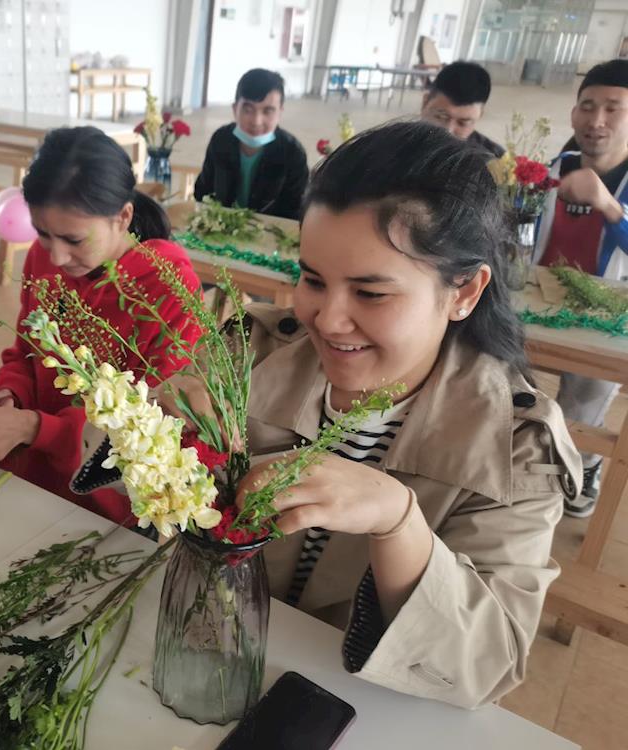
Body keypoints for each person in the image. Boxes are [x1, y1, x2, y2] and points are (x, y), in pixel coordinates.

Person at [162, 121, 580, 709]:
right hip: (209, 661)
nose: (328, 319)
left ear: (463, 292)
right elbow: (133, 494)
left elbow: (486, 665)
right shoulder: (253, 351)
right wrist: (159, 426)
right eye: (312, 280)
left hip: (357, 708)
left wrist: (398, 522)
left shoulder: (514, 449)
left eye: (371, 293)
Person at [0, 126, 201, 523]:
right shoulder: (43, 258)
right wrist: (9, 397)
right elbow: (26, 352)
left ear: (123, 217)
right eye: (43, 234)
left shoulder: (167, 288)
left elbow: (149, 423)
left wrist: (35, 428)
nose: (56, 257)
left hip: (106, 501)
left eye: (74, 240)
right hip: (30, 475)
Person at [531, 59, 628, 517]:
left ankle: (585, 465)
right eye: (587, 106)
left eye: (613, 108)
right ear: (573, 113)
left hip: (604, 318)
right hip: (535, 303)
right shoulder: (553, 169)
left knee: (584, 400)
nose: (597, 120)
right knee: (496, 375)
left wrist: (609, 207)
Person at [193, 68, 308, 220]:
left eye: (267, 111)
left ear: (280, 112)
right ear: (235, 109)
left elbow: (296, 211)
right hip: (221, 228)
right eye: (248, 110)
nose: (256, 121)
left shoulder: (293, 153)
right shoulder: (221, 140)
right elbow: (202, 192)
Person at [420, 61, 504, 159]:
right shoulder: (403, 142)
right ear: (425, 102)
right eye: (441, 117)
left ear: (480, 115)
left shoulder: (495, 161)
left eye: (463, 123)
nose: (449, 131)